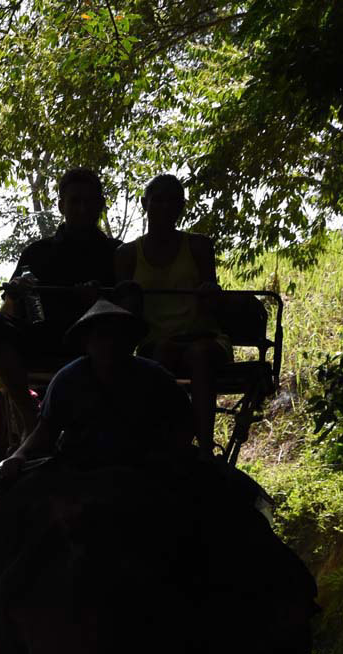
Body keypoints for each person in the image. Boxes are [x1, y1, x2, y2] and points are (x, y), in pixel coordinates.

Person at [0, 168, 123, 436]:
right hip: (43, 339)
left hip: (97, 343)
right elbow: (8, 310)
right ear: (61, 205)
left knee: (107, 334)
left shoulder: (117, 253)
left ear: (101, 205)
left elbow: (131, 309)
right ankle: (31, 420)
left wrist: (100, 302)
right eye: (74, 201)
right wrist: (14, 294)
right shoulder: (37, 252)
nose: (82, 208)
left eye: (89, 201)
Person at [3, 299, 193, 476]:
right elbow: (45, 431)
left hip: (141, 471)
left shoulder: (155, 377)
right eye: (102, 336)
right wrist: (19, 455)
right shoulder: (68, 379)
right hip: (81, 471)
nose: (110, 344)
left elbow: (184, 420)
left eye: (118, 335)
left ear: (130, 342)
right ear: (86, 343)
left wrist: (168, 455)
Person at [115, 174, 230, 454]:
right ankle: (163, 443)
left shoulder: (199, 247)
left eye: (172, 201)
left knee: (199, 354)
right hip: (155, 341)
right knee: (162, 354)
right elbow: (125, 313)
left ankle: (204, 447)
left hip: (202, 337)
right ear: (145, 204)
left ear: (181, 207)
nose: (165, 207)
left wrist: (210, 294)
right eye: (158, 200)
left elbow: (211, 307)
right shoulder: (127, 254)